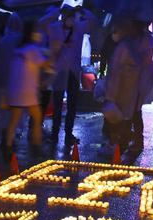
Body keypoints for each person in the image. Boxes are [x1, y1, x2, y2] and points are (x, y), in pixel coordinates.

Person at [103, 14, 153, 156]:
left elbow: (120, 67)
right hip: (132, 84)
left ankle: (124, 143)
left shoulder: (134, 43)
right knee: (132, 113)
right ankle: (129, 142)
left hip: (130, 85)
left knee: (129, 114)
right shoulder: (138, 41)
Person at [48, 5, 94, 145]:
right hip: (59, 70)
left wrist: (82, 10)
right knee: (57, 104)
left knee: (72, 105)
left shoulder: (79, 28)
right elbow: (43, 22)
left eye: (73, 17)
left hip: (73, 71)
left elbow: (93, 21)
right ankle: (54, 134)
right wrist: (57, 10)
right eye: (69, 16)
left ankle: (68, 133)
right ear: (64, 17)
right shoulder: (56, 28)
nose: (71, 20)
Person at [4, 20, 49, 156]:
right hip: (27, 91)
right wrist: (54, 52)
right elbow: (46, 65)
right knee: (37, 116)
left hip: (15, 90)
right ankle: (37, 145)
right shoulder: (32, 49)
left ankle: (7, 146)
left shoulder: (19, 49)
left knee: (14, 118)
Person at [0, 12, 24, 146]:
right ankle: (10, 139)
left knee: (4, 112)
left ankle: (5, 137)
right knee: (15, 112)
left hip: (4, 81)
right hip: (17, 82)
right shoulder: (20, 40)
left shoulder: (3, 40)